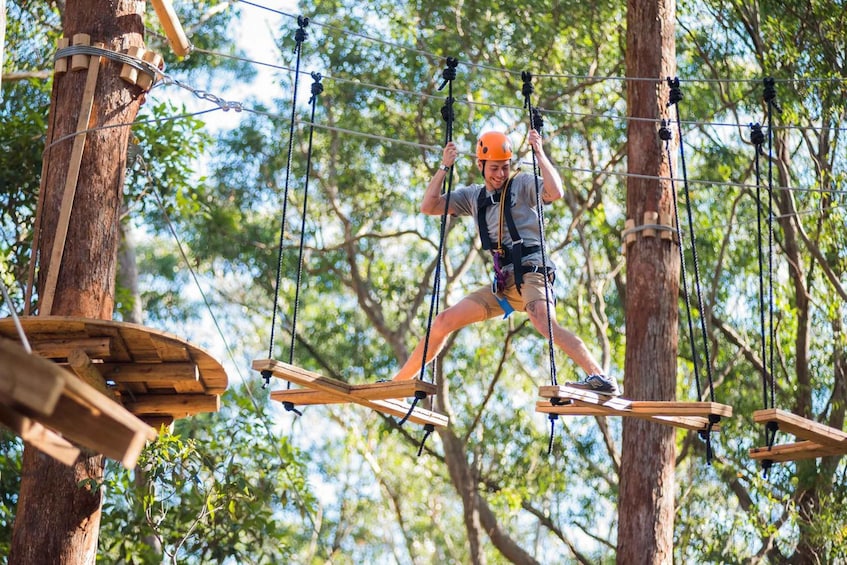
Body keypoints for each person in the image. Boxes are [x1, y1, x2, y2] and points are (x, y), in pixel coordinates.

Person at [391, 129, 620, 396]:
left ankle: (600, 377)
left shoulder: (522, 185)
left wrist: (539, 153)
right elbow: (428, 206)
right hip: (503, 285)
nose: (500, 174)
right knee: (443, 321)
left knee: (544, 322)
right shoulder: (473, 197)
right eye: (494, 168)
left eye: (505, 167)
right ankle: (399, 382)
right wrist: (444, 167)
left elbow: (555, 191)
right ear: (480, 165)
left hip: (532, 272)